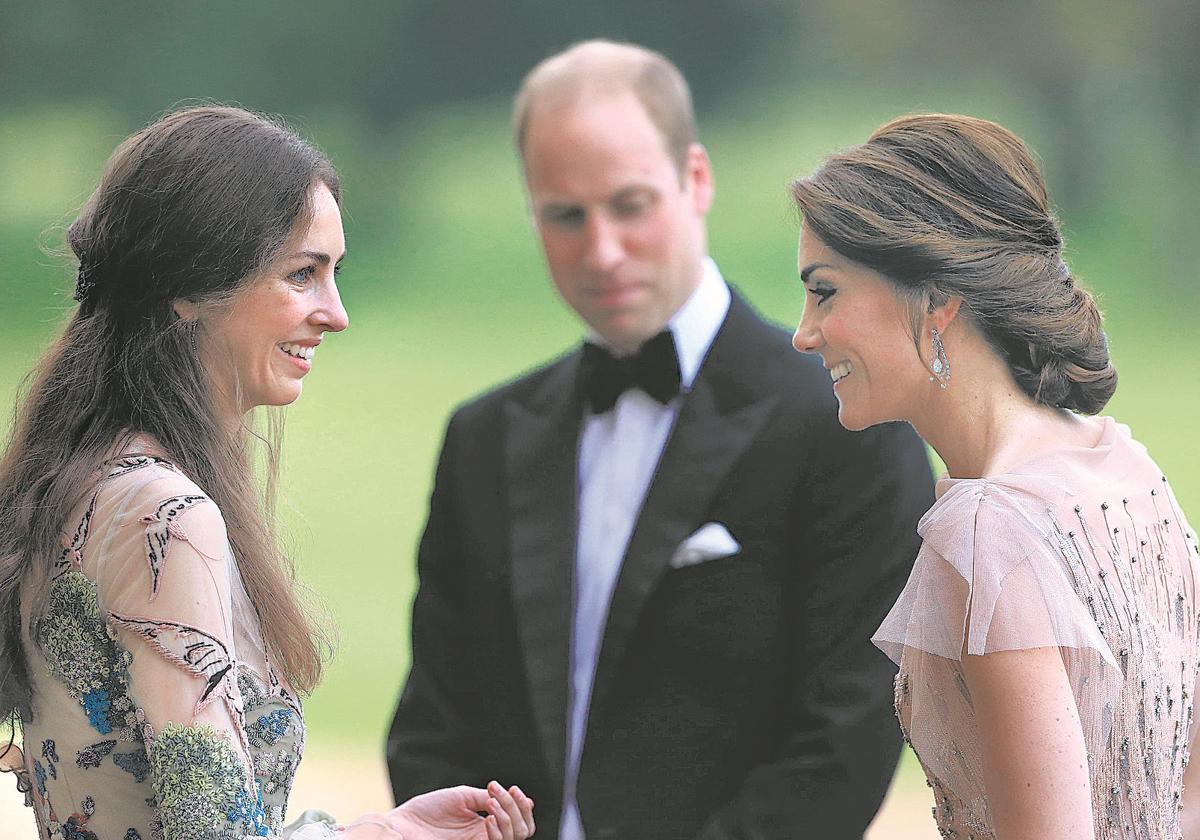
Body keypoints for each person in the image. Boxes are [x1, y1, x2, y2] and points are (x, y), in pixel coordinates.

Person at [386, 40, 934, 840]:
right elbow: (433, 725)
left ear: (696, 179)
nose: (601, 250)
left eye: (630, 204)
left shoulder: (846, 423)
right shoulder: (483, 437)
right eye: (565, 215)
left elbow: (844, 744)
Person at [0, 105, 535, 840]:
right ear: (189, 289)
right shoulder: (163, 515)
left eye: (334, 274)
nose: (336, 313)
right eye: (302, 275)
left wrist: (380, 830)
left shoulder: (77, 478)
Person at [789, 113, 1200, 838]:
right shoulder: (1123, 464)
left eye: (825, 292)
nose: (804, 332)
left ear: (936, 298)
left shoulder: (989, 530)